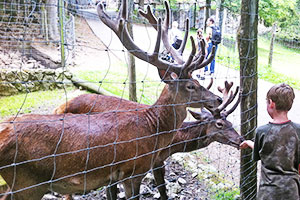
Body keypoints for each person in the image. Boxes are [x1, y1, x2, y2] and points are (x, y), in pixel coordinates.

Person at [240, 83, 300, 200]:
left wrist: (249, 143)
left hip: (268, 193)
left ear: (271, 103)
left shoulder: (262, 131)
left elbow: (263, 153)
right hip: (292, 191)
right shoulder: (298, 130)